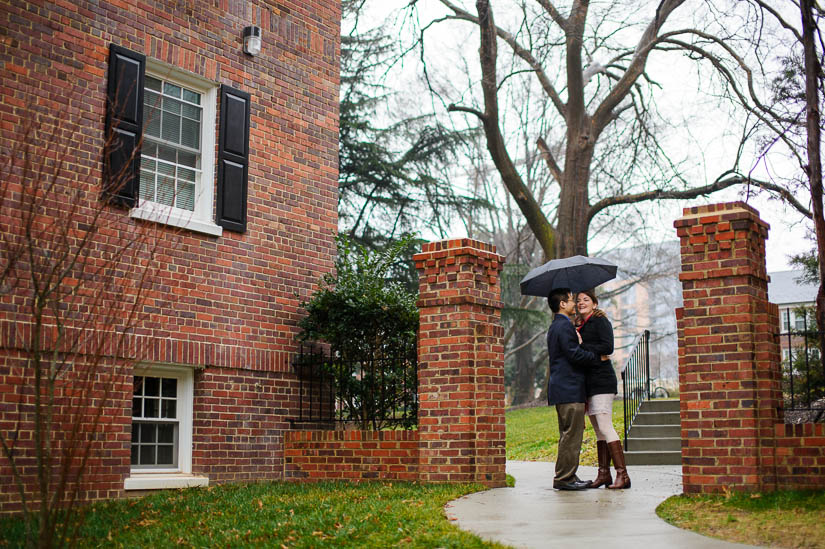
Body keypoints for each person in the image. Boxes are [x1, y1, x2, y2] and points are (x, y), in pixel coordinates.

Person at [575, 289, 630, 489]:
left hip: (602, 381)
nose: (581, 302)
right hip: (588, 382)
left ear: (595, 304)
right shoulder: (579, 325)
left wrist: (583, 346)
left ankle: (622, 475)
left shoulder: (600, 321)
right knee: (598, 431)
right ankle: (603, 474)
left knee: (606, 426)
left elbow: (608, 347)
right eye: (578, 300)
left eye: (586, 299)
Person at [546, 287, 599, 491]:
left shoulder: (556, 326)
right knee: (572, 435)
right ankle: (564, 478)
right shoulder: (564, 326)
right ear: (562, 304)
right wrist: (594, 356)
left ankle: (569, 475)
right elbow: (573, 355)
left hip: (561, 388)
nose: (574, 304)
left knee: (568, 434)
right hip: (568, 388)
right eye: (570, 301)